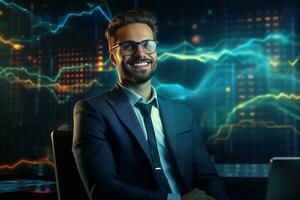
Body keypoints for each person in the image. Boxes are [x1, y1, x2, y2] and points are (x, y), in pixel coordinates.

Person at [72, 9, 229, 200]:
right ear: (113, 57)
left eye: (147, 44)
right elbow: (103, 189)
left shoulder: (181, 113)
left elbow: (208, 177)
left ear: (156, 52)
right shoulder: (93, 111)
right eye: (129, 46)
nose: (140, 53)